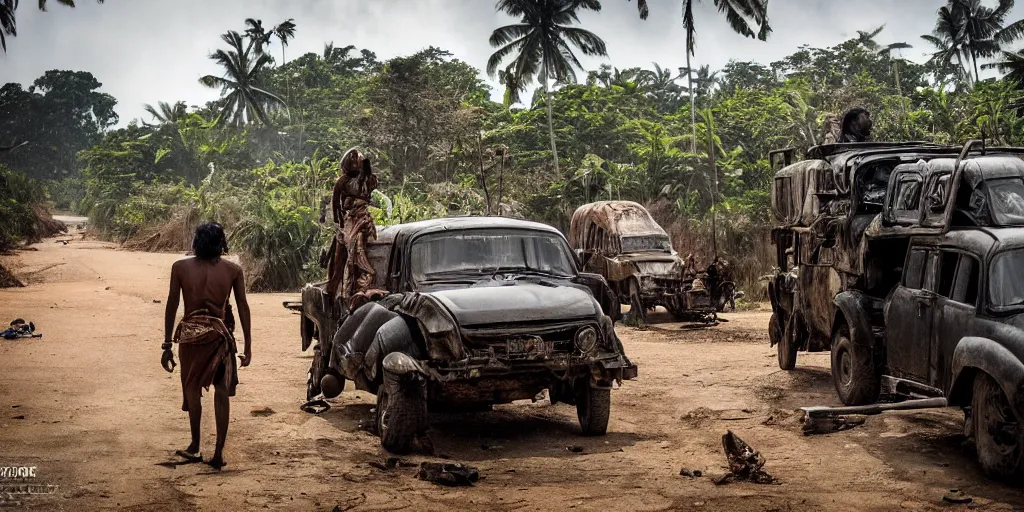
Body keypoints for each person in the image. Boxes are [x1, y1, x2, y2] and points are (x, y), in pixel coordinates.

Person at [162, 223, 252, 470]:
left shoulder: (180, 267)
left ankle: (194, 445)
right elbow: (243, 307)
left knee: (192, 389)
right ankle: (219, 452)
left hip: (190, 336)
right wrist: (249, 345)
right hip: (219, 337)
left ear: (196, 242)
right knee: (221, 390)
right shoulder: (232, 270)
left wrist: (167, 343)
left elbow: (172, 305)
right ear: (221, 243)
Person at [326, 148, 382, 311]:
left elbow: (367, 174)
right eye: (352, 159)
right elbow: (336, 206)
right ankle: (333, 298)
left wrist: (364, 162)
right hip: (347, 224)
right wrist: (340, 226)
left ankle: (354, 291)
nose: (355, 160)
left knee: (358, 258)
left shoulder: (367, 180)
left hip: (361, 221)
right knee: (339, 268)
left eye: (357, 159)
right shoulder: (342, 181)